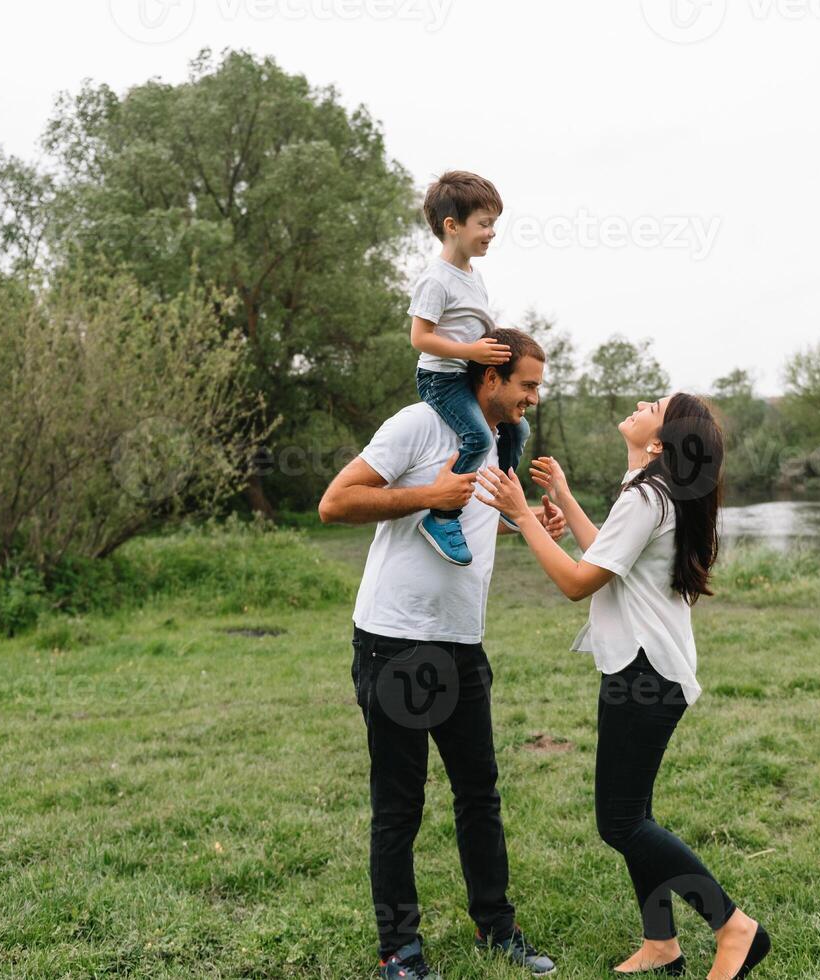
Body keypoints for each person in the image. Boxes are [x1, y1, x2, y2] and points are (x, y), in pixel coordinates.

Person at [473, 394, 772, 980]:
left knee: (622, 823)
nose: (641, 402)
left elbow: (579, 583)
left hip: (645, 674)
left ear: (660, 442)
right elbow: (608, 555)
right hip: (648, 670)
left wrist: (527, 515)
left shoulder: (647, 496)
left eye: (654, 405)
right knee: (637, 815)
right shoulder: (652, 491)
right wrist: (561, 499)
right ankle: (661, 943)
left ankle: (734, 927)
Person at [318, 328, 565, 980]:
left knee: (479, 793)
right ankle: (399, 952)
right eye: (527, 386)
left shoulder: (498, 445)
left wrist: (531, 523)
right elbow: (334, 502)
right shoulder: (419, 426)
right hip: (395, 642)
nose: (534, 399)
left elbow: (482, 516)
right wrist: (427, 495)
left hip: (462, 644)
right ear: (490, 377)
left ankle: (496, 928)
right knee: (400, 806)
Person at [408, 170, 530, 567]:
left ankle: (503, 496)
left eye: (494, 223)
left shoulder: (474, 277)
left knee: (519, 428)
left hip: (467, 374)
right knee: (478, 438)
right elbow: (421, 338)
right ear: (452, 226)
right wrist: (471, 352)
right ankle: (442, 516)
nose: (492, 232)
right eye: (485, 223)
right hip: (441, 379)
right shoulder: (435, 279)